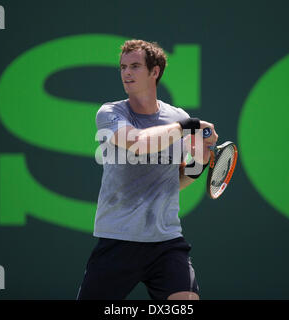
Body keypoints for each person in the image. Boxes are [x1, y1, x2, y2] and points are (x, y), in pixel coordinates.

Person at [77, 39, 218, 300]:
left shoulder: (177, 116)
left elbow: (176, 179)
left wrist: (199, 161)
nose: (126, 73)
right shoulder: (109, 113)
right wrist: (187, 127)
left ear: (155, 72)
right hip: (118, 239)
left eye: (135, 66)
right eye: (122, 67)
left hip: (166, 241)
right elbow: (138, 144)